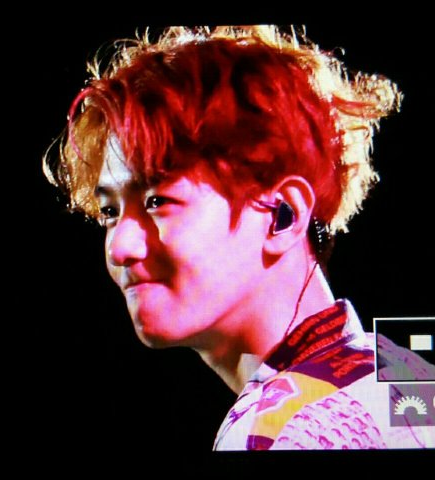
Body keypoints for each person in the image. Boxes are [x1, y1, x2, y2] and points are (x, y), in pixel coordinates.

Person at [43, 25, 434, 450]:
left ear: (283, 216)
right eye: (110, 212)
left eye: (158, 201)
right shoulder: (411, 375)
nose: (120, 247)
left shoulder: (280, 430)